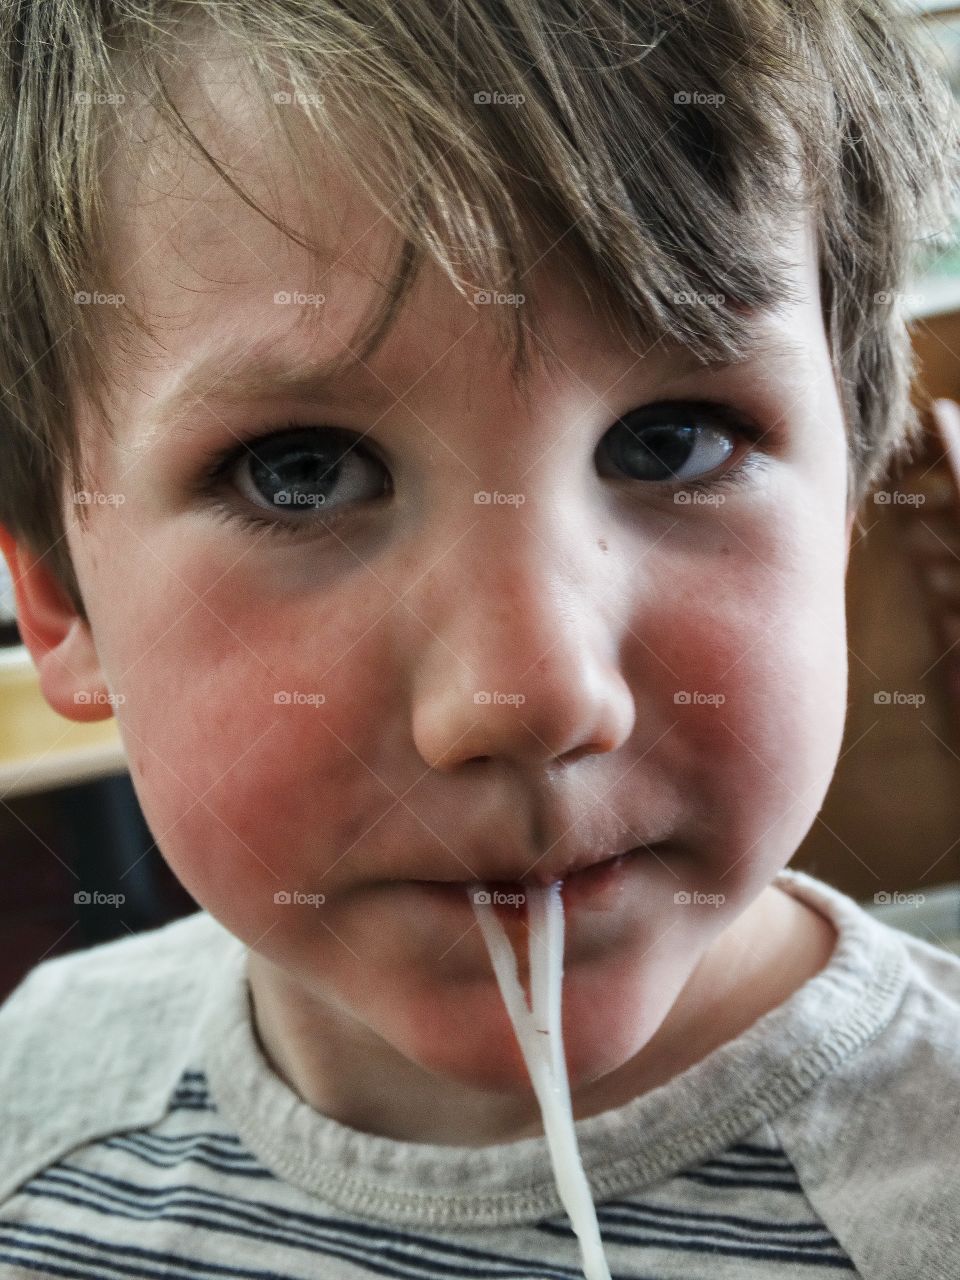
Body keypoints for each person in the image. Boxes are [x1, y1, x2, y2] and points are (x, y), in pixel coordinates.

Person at [0, 1, 958, 1276]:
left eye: (671, 441)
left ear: (845, 510)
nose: (529, 694)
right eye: (302, 471)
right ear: (62, 601)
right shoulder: (35, 1112)